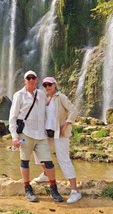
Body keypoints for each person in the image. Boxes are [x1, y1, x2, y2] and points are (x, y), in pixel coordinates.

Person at [8, 70, 64, 202]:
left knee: (48, 162)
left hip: (41, 134)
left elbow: (50, 109)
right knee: (24, 161)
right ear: (25, 81)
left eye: (34, 78)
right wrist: (14, 136)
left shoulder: (42, 94)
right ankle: (27, 189)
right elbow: (13, 117)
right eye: (29, 78)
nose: (31, 80)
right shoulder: (19, 95)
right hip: (25, 133)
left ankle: (53, 189)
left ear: (37, 80)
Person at [33, 76, 82, 204]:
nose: (47, 87)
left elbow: (74, 111)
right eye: (45, 85)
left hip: (59, 133)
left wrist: (66, 125)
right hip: (47, 133)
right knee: (38, 151)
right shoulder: (45, 99)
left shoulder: (61, 97)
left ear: (55, 85)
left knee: (63, 159)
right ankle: (45, 174)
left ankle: (75, 191)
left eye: (49, 84)